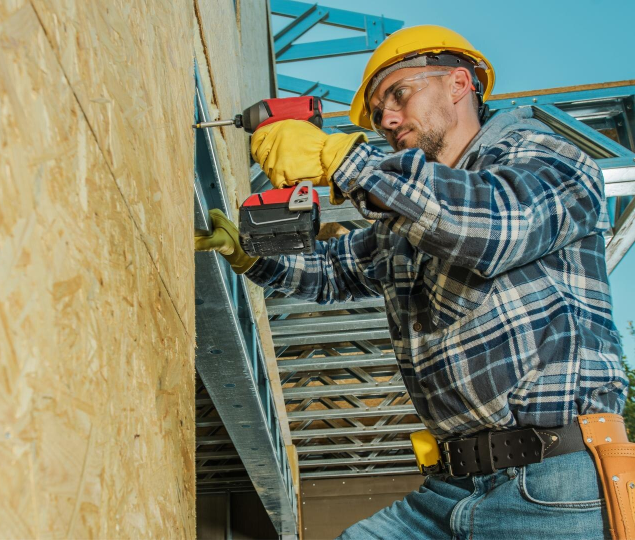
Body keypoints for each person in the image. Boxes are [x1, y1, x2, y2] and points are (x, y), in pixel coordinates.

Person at [195, 25, 628, 538]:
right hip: (450, 487)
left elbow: (490, 226)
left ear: (459, 83)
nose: (388, 120)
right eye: (378, 114)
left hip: (554, 486)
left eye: (398, 95)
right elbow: (337, 269)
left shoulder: (550, 160)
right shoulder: (404, 224)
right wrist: (251, 256)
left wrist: (341, 159)